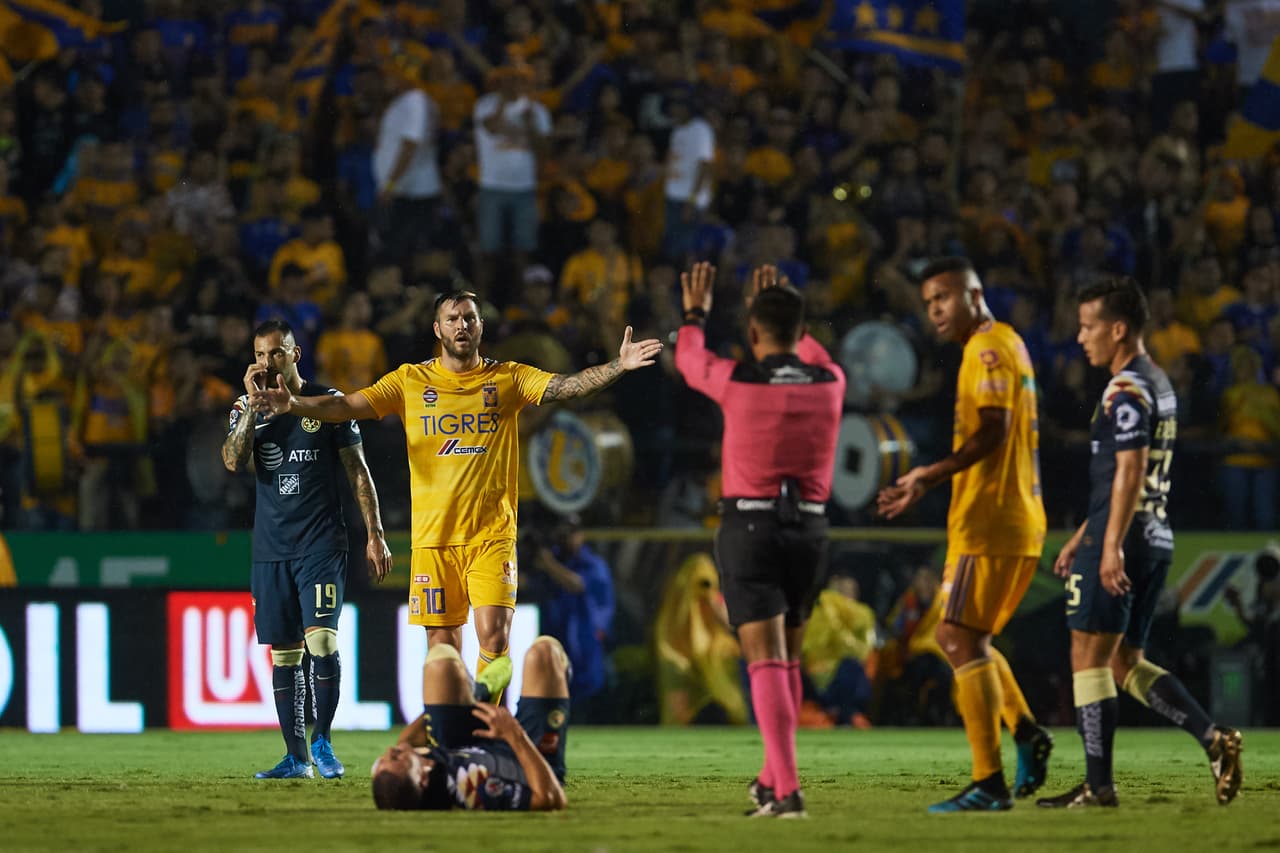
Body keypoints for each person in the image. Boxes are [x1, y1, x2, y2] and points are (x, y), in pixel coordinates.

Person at [249, 291, 661, 706]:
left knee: (495, 637)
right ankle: (450, 737)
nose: (461, 326)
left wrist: (618, 366)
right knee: (443, 654)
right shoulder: (411, 381)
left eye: (469, 318)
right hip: (433, 541)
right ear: (437, 329)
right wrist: (294, 404)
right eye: (452, 319)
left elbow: (566, 387)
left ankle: (486, 733)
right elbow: (348, 406)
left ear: (481, 326)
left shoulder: (508, 378)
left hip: (491, 536)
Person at [1037, 276, 1244, 808]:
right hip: (1153, 533)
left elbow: (1129, 470)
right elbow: (1133, 477)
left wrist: (1106, 547)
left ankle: (1098, 785)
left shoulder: (1125, 387)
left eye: (1089, 327)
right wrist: (1083, 534)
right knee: (1125, 661)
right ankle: (1213, 739)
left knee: (1087, 655)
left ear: (1119, 328)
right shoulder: (1160, 382)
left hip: (1125, 537)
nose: (1081, 338)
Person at [877, 257, 1054, 812]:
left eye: (942, 299)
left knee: (955, 639)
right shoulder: (1002, 343)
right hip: (1004, 518)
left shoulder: (988, 347)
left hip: (991, 520)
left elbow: (994, 431)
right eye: (927, 303)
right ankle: (1026, 734)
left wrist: (928, 475)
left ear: (973, 295)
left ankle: (989, 782)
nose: (933, 311)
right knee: (970, 640)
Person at [675, 262, 845, 818]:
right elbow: (811, 354)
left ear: (752, 333)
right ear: (801, 331)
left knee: (764, 660)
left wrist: (695, 313)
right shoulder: (830, 383)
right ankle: (773, 779)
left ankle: (788, 790)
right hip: (811, 531)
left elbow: (687, 359)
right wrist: (779, 309)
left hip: (751, 528)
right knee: (789, 659)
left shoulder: (739, 380)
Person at [222, 319, 393, 780]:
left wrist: (374, 532)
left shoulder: (329, 404)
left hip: (321, 542)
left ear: (295, 355)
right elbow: (234, 460)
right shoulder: (245, 407)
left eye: (276, 353)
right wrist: (255, 413)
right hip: (271, 548)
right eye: (259, 354)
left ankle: (323, 740)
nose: (266, 362)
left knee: (321, 640)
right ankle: (296, 757)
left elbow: (358, 471)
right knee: (284, 654)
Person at [370, 637, 570, 812]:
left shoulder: (419, 774)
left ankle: (478, 691)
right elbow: (550, 798)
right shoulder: (472, 788)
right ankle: (561, 675)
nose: (391, 750)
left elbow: (407, 740)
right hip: (529, 760)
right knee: (545, 653)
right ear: (423, 779)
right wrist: (513, 733)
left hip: (463, 742)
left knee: (441, 662)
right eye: (396, 757)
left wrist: (474, 697)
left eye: (382, 759)